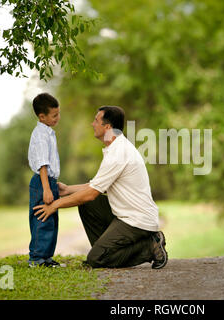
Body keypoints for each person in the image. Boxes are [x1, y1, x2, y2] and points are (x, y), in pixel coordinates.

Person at [33, 106, 168, 269]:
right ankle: (104, 251)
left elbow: (90, 194)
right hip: (126, 216)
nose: (92, 124)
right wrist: (67, 189)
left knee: (96, 259)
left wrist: (55, 205)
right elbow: (95, 185)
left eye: (96, 120)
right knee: (89, 206)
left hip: (137, 221)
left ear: (107, 127)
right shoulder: (116, 148)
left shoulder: (119, 153)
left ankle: (149, 247)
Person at [27, 93, 64, 268]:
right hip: (43, 182)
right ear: (42, 117)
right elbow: (43, 163)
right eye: (54, 115)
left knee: (51, 219)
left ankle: (46, 257)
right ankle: (36, 258)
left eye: (58, 114)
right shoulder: (41, 134)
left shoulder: (48, 132)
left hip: (49, 182)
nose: (58, 118)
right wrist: (47, 189)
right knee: (42, 219)